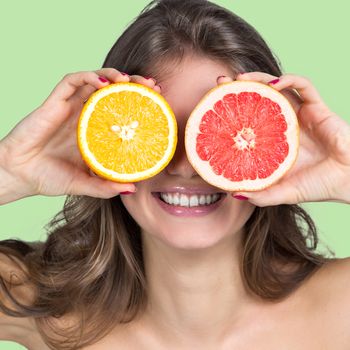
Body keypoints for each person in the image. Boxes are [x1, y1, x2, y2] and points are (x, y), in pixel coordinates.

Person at [1, 0, 350, 349]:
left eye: (212, 137)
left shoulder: (340, 307)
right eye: (161, 136)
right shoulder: (40, 303)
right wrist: (9, 170)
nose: (184, 166)